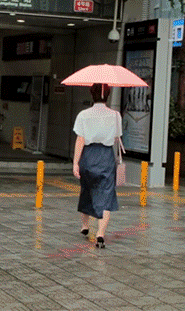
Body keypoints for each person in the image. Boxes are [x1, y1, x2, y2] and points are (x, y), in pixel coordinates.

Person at [72, 83, 123, 249]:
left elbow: (80, 140)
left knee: (87, 189)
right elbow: (116, 137)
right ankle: (100, 234)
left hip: (88, 155)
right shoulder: (115, 115)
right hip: (106, 156)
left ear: (91, 94)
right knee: (106, 193)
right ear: (108, 95)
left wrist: (75, 163)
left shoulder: (83, 115)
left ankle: (85, 225)